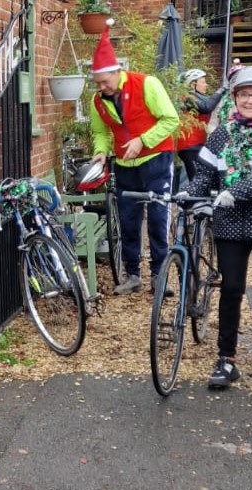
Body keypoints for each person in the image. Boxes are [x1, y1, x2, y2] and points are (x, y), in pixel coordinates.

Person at [179, 66, 252, 389]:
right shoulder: (221, 135)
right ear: (234, 98)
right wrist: (189, 194)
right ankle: (226, 358)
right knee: (231, 287)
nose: (250, 100)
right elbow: (205, 174)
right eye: (244, 94)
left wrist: (239, 191)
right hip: (230, 223)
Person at [89, 22, 179, 295]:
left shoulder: (147, 84)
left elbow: (171, 119)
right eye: (98, 83)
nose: (103, 87)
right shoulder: (97, 101)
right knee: (127, 220)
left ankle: (159, 275)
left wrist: (143, 140)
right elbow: (102, 132)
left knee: (157, 218)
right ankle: (132, 275)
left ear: (118, 71)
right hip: (126, 166)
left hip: (156, 161)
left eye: (106, 81)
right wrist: (101, 151)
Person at [176, 68, 226, 182]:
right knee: (197, 180)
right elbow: (207, 107)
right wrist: (221, 90)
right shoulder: (187, 97)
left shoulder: (198, 97)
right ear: (193, 84)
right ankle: (193, 199)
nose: (206, 85)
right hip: (189, 145)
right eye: (203, 82)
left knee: (201, 178)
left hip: (196, 144)